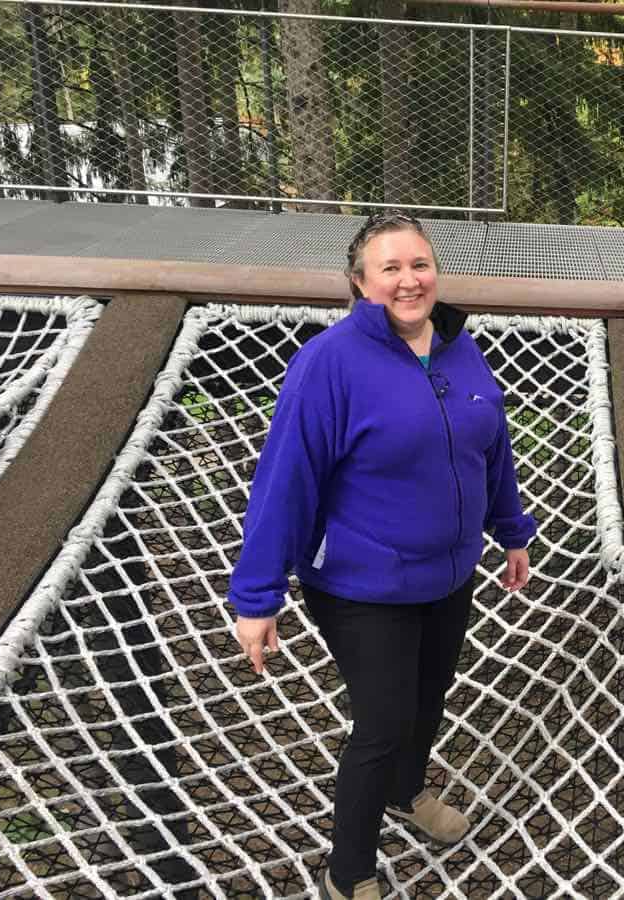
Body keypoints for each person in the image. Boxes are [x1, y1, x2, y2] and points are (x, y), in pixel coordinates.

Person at [228, 211, 537, 900]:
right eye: (390, 268)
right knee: (383, 722)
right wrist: (256, 596)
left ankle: (407, 791)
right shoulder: (329, 365)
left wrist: (511, 530)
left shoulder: (461, 349)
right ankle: (349, 872)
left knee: (429, 700)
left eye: (419, 264)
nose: (409, 280)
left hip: (449, 572)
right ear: (360, 282)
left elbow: (492, 449)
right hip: (361, 582)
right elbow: (286, 479)